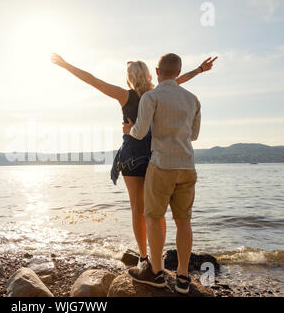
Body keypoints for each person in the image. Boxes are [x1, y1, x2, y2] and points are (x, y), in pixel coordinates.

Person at [51, 53, 216, 269]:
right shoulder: (157, 92)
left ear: (129, 77)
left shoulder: (124, 95)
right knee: (157, 211)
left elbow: (92, 80)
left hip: (131, 155)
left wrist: (66, 65)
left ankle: (144, 257)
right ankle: (159, 257)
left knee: (138, 208)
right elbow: (179, 79)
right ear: (150, 74)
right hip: (155, 155)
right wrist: (200, 70)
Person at [123, 53, 204, 294]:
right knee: (183, 222)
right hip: (187, 166)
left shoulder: (151, 96)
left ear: (157, 71)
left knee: (153, 217)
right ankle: (182, 277)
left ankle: (156, 273)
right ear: (178, 73)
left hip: (161, 166)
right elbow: (194, 135)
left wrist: (129, 130)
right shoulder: (193, 99)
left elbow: (140, 132)